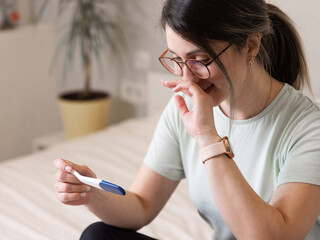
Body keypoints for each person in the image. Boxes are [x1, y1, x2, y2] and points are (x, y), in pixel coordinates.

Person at [53, 0, 320, 239]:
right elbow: (142, 205)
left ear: (251, 46)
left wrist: (208, 138)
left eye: (200, 60)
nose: (187, 79)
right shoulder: (185, 109)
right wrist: (92, 194)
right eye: (177, 60)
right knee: (98, 236)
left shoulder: (309, 127)